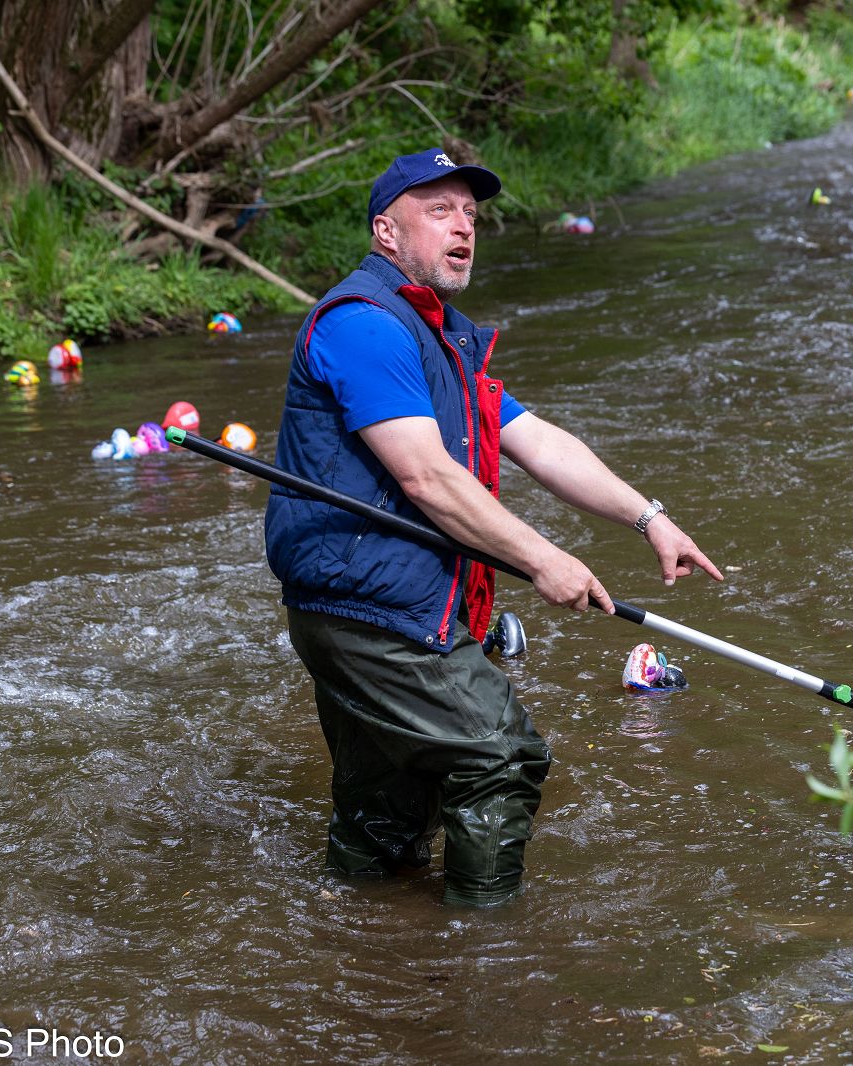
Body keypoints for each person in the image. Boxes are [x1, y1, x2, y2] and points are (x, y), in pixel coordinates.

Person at [263, 147, 723, 906]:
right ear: (386, 231)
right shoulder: (364, 326)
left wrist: (649, 519)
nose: (464, 227)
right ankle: (482, 944)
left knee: (388, 810)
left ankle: (364, 944)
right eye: (439, 210)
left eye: (471, 214)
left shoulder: (442, 337)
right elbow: (426, 476)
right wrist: (544, 559)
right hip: (373, 610)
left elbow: (539, 442)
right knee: (500, 757)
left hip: (381, 603)